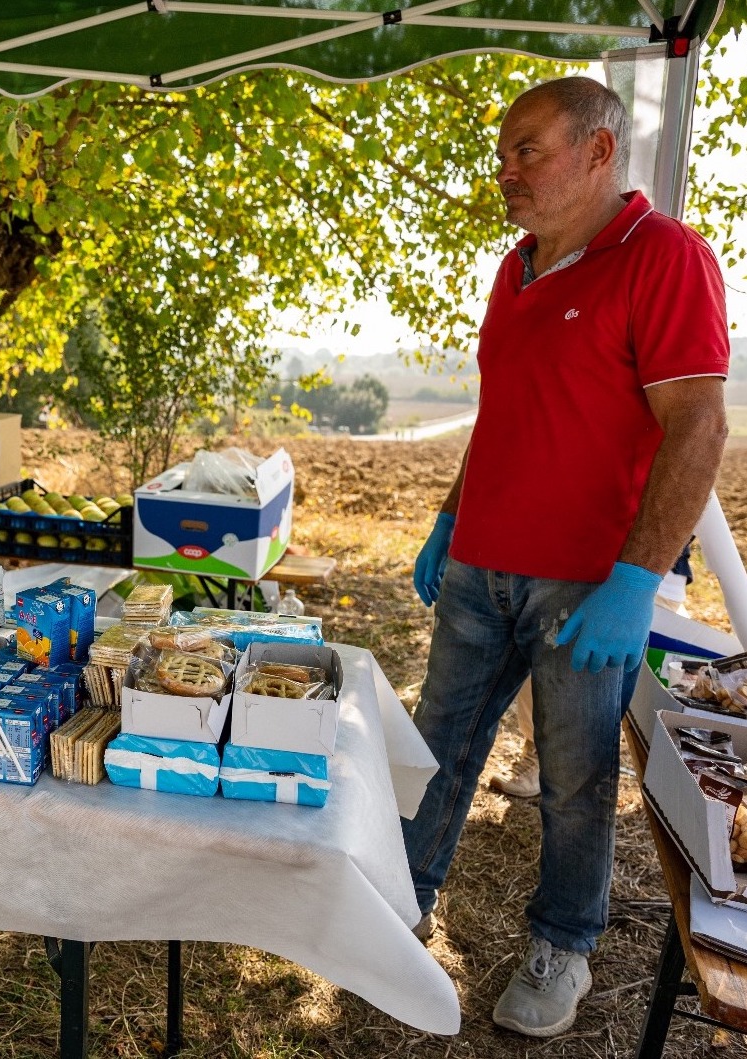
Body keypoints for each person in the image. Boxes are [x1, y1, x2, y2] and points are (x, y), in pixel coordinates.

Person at [404, 77, 729, 1038]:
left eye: (526, 149)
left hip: (587, 582)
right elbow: (500, 418)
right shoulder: (517, 269)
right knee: (434, 753)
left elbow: (698, 424)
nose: (504, 170)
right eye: (502, 151)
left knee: (577, 779)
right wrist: (446, 518)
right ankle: (399, 902)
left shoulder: (661, 256)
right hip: (479, 572)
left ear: (597, 151)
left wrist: (636, 581)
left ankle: (563, 945)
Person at [491, 540, 695, 799]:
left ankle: (587, 775)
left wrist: (637, 583)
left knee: (645, 690)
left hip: (649, 571)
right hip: (579, 556)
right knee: (544, 645)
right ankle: (537, 751)